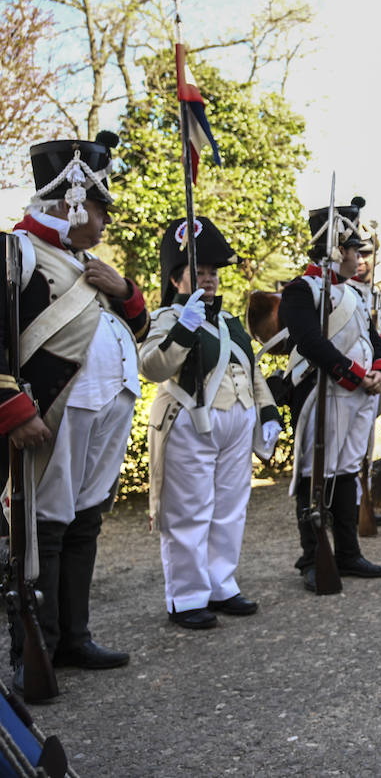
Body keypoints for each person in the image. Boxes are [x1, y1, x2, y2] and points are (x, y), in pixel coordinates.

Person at [5, 134, 148, 690]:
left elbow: (141, 331)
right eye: (101, 206)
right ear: (72, 200)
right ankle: (32, 647)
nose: (106, 219)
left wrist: (128, 291)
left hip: (104, 408)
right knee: (43, 529)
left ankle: (74, 637)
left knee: (85, 520)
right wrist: (12, 408)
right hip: (55, 412)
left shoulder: (89, 262)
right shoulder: (16, 251)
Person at [140, 217, 280, 629]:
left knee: (229, 510)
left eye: (212, 272)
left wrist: (267, 412)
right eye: (198, 271)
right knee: (189, 512)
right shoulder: (167, 318)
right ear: (176, 277)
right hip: (189, 423)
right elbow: (152, 366)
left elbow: (251, 372)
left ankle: (222, 584)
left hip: (235, 427)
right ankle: (186, 597)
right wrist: (182, 330)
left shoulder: (230, 322)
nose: (209, 279)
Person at [279, 197, 381, 592]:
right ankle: (313, 556)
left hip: (356, 396)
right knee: (314, 475)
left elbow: (374, 339)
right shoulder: (301, 290)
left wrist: (379, 370)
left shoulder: (356, 293)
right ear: (335, 248)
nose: (359, 257)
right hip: (322, 394)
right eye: (352, 248)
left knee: (347, 474)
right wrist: (356, 375)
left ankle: (347, 551)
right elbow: (309, 343)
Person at [348, 219, 381, 528]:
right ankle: (347, 510)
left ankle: (364, 503)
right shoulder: (342, 292)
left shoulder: (375, 296)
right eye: (358, 253)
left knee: (366, 450)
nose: (362, 261)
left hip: (375, 377)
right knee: (346, 453)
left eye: (368, 254)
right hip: (349, 377)